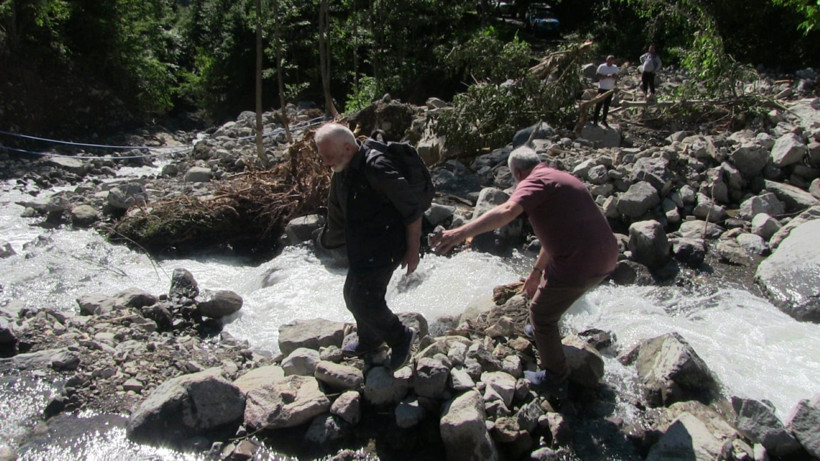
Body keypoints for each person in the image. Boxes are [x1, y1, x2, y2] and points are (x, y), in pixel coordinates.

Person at [430, 146, 618, 397]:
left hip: (581, 261)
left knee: (540, 314)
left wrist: (459, 233)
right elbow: (556, 237)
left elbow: (507, 211)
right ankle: (541, 335)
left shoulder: (533, 181)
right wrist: (537, 271)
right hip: (606, 257)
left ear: (517, 173)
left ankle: (555, 377)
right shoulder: (557, 177)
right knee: (549, 292)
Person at [314, 122, 419, 372]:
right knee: (351, 294)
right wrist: (325, 242)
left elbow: (412, 210)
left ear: (348, 148)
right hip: (362, 244)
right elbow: (338, 214)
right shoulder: (343, 170)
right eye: (322, 157)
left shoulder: (377, 167)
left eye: (328, 157)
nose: (325, 162)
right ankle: (370, 340)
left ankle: (401, 336)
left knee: (364, 300)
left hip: (387, 244)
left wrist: (413, 251)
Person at [593, 55, 618, 127]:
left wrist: (614, 78)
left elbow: (617, 77)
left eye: (611, 61)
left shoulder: (615, 68)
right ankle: (595, 120)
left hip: (610, 88)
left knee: (606, 105)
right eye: (608, 60)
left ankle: (604, 120)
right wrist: (606, 76)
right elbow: (598, 76)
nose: (609, 62)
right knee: (599, 104)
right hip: (602, 88)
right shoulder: (602, 67)